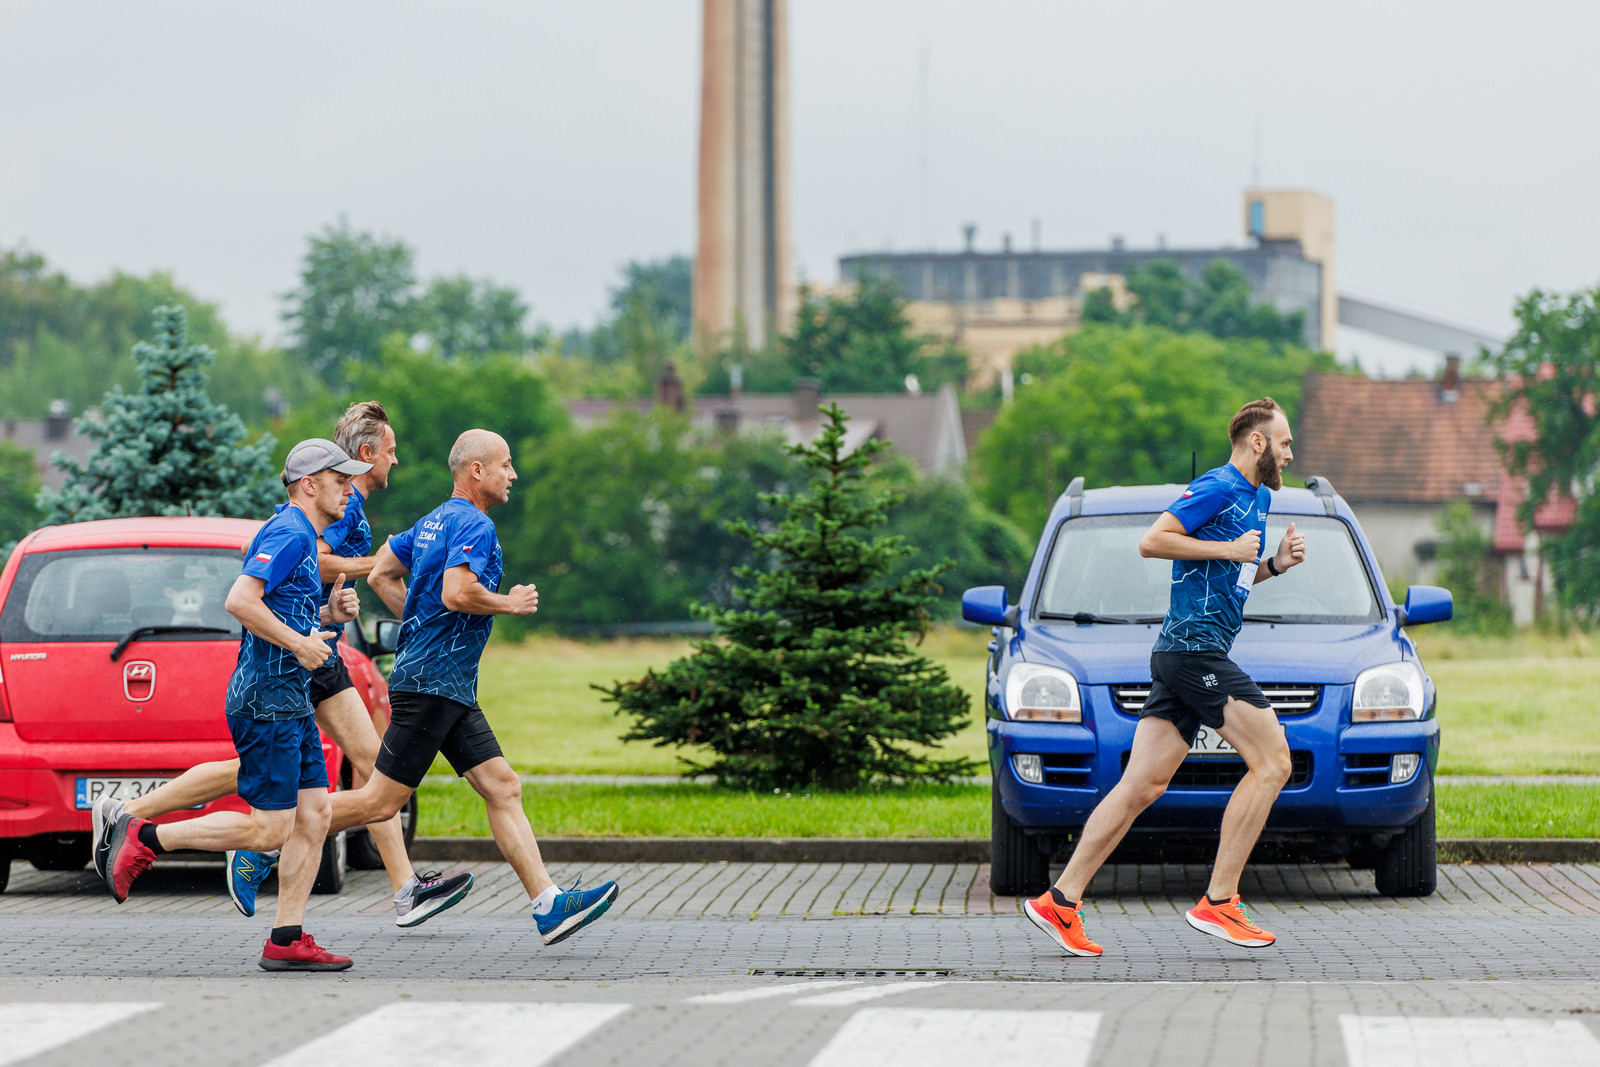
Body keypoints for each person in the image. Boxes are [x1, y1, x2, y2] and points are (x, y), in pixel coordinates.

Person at [94, 403, 473, 929]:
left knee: (292, 786)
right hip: (296, 662)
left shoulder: (324, 510)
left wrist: (328, 612)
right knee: (365, 769)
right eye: (389, 452)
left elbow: (285, 564)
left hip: (310, 649)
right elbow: (292, 562)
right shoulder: (329, 514)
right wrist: (380, 564)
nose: (395, 461)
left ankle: (280, 909)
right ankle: (211, 838)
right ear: (361, 458)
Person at [1024, 397, 1308, 957]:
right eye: (1284, 443)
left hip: (1185, 654)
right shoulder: (1218, 486)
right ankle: (1220, 901)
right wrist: (1229, 547)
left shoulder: (1258, 498)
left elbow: (1229, 578)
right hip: (1194, 653)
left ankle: (1060, 900)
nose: (1290, 453)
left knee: (1142, 786)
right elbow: (1153, 540)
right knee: (1274, 761)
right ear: (1257, 442)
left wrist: (1274, 565)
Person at [320, 428, 619, 946]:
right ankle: (268, 840)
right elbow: (458, 593)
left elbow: (382, 574)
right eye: (506, 464)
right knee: (380, 803)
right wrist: (509, 603)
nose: (513, 474)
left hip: (446, 684)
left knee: (502, 786)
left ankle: (549, 905)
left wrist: (420, 625)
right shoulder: (475, 524)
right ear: (476, 470)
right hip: (433, 685)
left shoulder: (433, 520)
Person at [100, 439, 373, 971]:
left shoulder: (303, 536)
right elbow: (240, 601)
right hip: (266, 699)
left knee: (315, 814)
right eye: (340, 480)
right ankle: (144, 834)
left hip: (290, 697)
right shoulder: (288, 532)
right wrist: (300, 645)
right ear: (309, 484)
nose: (348, 490)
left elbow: (283, 612)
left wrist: (329, 616)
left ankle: (286, 938)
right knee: (271, 829)